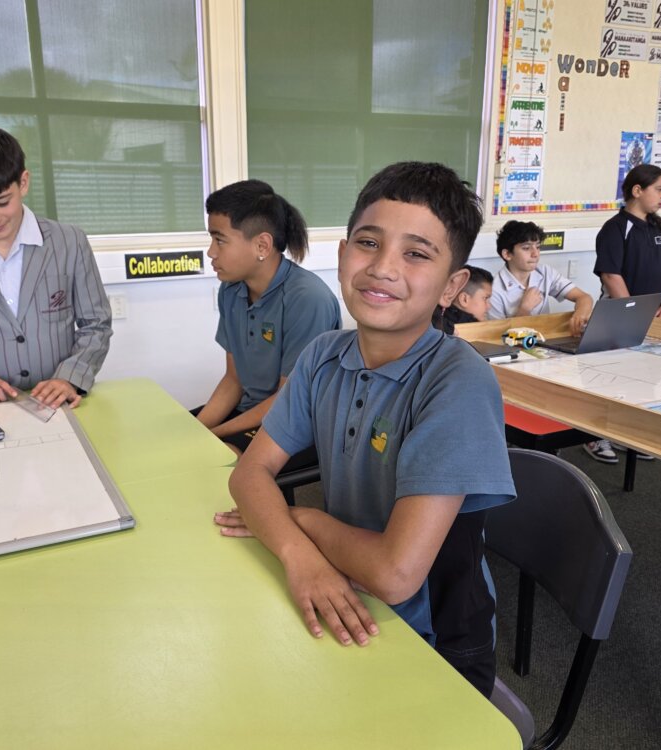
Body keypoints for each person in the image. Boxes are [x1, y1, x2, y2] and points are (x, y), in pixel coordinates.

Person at [213, 162, 516, 697]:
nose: (383, 267)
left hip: (433, 640)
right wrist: (298, 553)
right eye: (368, 243)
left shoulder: (457, 380)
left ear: (452, 286)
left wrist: (301, 518)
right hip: (342, 589)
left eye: (416, 254)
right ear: (341, 253)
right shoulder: (322, 356)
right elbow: (249, 474)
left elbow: (396, 574)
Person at [0, 126, 112, 409]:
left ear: (23, 182)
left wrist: (69, 378)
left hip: (61, 402)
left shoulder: (70, 242)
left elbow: (96, 324)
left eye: (2, 202)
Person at [194, 179, 340, 465]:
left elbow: (287, 400)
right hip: (251, 411)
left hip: (299, 423)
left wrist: (214, 434)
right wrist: (197, 429)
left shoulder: (307, 299)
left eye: (219, 240)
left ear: (262, 244)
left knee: (212, 459)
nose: (211, 252)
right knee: (177, 437)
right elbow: (234, 379)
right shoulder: (231, 290)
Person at [586, 163, 661, 464]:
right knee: (610, 374)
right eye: (659, 189)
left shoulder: (660, 226)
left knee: (645, 375)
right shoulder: (615, 228)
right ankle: (596, 435)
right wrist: (633, 313)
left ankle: (629, 434)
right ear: (637, 191)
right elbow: (611, 275)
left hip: (656, 313)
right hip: (620, 313)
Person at [487, 220, 593, 336]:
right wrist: (524, 309)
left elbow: (584, 297)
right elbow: (497, 336)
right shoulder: (493, 289)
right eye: (526, 248)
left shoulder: (545, 272)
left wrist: (580, 314)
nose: (535, 254)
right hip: (516, 345)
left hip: (546, 339)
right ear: (507, 254)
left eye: (538, 247)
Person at [432, 265, 493, 334]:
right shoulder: (449, 332)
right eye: (485, 298)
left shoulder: (437, 324)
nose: (489, 306)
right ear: (464, 299)